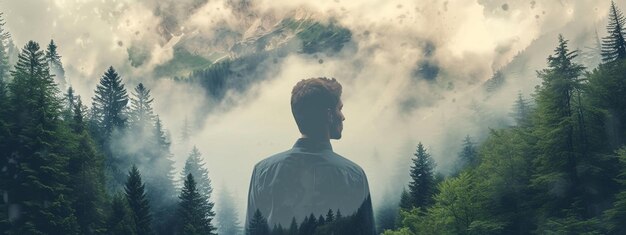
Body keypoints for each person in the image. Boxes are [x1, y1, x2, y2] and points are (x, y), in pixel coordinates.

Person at [245, 77, 375, 235]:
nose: (343, 116)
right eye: (339, 109)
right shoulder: (353, 175)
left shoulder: (263, 172)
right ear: (329, 115)